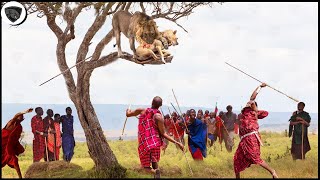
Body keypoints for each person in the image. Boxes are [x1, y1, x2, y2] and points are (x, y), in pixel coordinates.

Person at [126, 96, 184, 178]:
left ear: (152, 102)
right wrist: (177, 142)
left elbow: (128, 114)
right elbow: (163, 133)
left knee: (145, 167)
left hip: (145, 143)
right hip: (155, 143)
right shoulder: (159, 117)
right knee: (155, 163)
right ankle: (156, 171)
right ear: (160, 106)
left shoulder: (141, 111)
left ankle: (155, 172)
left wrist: (127, 111)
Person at [233, 83, 278, 179]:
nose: (248, 103)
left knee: (255, 157)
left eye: (251, 103)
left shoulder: (253, 112)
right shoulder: (243, 114)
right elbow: (239, 127)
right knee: (237, 159)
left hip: (252, 137)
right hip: (243, 140)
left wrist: (260, 87)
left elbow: (253, 98)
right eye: (248, 103)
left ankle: (273, 172)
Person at [2, 108, 33, 178]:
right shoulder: (11, 122)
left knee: (14, 160)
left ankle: (20, 177)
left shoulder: (19, 127)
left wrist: (16, 146)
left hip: (9, 147)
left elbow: (15, 138)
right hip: (2, 144)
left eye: (22, 117)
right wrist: (25, 112)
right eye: (20, 116)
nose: (21, 117)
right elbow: (16, 116)